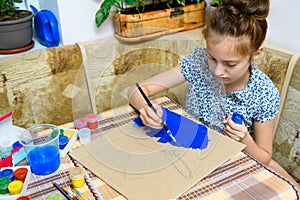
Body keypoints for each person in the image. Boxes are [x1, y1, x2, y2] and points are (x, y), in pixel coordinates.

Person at [128, 0, 300, 193]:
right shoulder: (198, 62)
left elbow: (264, 157)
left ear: (256, 53)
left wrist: (244, 139)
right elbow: (136, 91)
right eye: (212, 57)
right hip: (191, 153)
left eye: (230, 64)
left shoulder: (264, 94)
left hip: (236, 163)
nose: (218, 71)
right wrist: (146, 109)